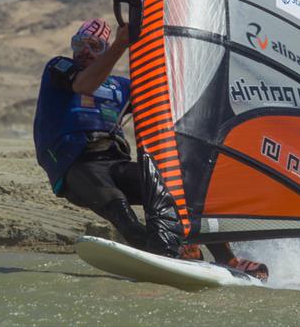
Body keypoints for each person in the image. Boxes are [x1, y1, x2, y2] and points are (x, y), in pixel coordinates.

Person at [33, 18, 268, 281]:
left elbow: (170, 100)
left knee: (177, 192)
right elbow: (84, 86)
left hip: (114, 162)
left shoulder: (122, 87)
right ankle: (165, 255)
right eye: (79, 44)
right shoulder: (59, 68)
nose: (85, 50)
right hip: (76, 166)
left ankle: (227, 259)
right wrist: (120, 44)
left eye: (95, 45)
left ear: (104, 48)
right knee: (121, 212)